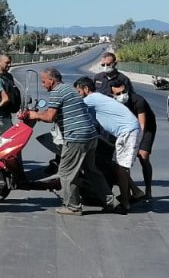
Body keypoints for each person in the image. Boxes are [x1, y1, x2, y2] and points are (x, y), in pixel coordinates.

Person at [25, 67, 118, 215]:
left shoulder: (57, 92)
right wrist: (37, 114)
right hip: (91, 136)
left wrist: (33, 115)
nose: (43, 85)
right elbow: (53, 113)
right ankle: (111, 203)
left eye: (44, 81)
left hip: (77, 137)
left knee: (66, 172)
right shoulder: (68, 89)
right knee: (91, 171)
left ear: (52, 80)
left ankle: (73, 206)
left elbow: (49, 117)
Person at [74, 77, 139, 211]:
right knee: (116, 166)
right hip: (124, 132)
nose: (77, 95)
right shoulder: (97, 99)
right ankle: (136, 192)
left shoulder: (91, 99)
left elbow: (75, 109)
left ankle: (125, 203)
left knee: (121, 168)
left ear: (86, 89)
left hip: (128, 131)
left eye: (78, 92)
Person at [110, 82, 156, 201]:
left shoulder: (138, 100)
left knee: (143, 156)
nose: (122, 95)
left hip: (146, 128)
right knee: (123, 160)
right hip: (127, 129)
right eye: (118, 93)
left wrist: (135, 145)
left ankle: (148, 190)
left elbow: (142, 125)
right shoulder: (113, 103)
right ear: (113, 95)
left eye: (124, 92)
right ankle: (129, 192)